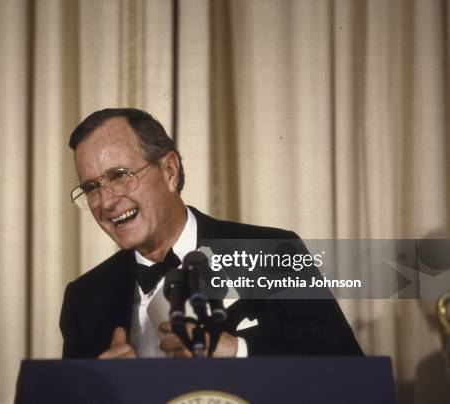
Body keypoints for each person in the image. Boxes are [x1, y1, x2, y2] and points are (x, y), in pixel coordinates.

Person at [60, 108, 363, 359]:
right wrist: (100, 388)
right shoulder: (83, 298)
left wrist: (236, 350)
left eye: (119, 176)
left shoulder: (272, 254)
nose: (107, 202)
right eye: (91, 188)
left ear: (170, 171)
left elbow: (349, 377)